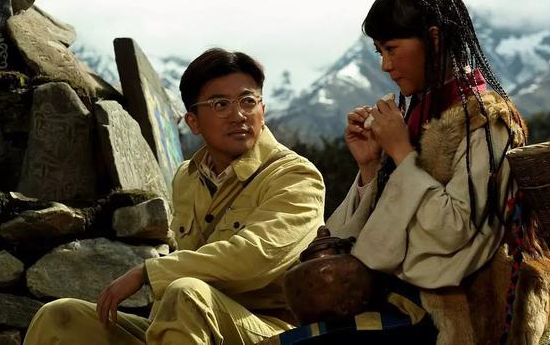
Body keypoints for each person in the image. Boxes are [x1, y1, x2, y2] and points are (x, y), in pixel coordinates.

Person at [270, 0, 550, 345]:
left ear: (434, 39)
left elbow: (455, 231)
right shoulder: (415, 116)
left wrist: (402, 153)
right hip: (401, 300)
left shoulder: (488, 120)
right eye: (380, 52)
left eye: (391, 49)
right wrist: (370, 167)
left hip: (461, 314)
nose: (385, 66)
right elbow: (361, 241)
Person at [24, 48, 325, 344]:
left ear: (263, 110)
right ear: (193, 122)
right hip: (184, 325)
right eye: (220, 104)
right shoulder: (187, 176)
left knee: (185, 293)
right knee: (60, 317)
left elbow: (255, 259)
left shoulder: (295, 176)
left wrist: (147, 272)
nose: (238, 115)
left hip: (266, 332)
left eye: (248, 101)